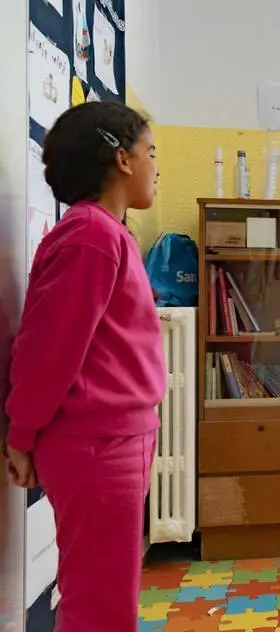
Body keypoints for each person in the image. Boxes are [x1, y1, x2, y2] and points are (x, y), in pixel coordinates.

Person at [2, 101, 165, 632]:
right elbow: (48, 350)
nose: (155, 167)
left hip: (118, 439)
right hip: (99, 444)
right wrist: (22, 436)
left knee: (106, 595)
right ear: (121, 160)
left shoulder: (109, 234)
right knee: (101, 606)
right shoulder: (91, 236)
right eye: (150, 152)